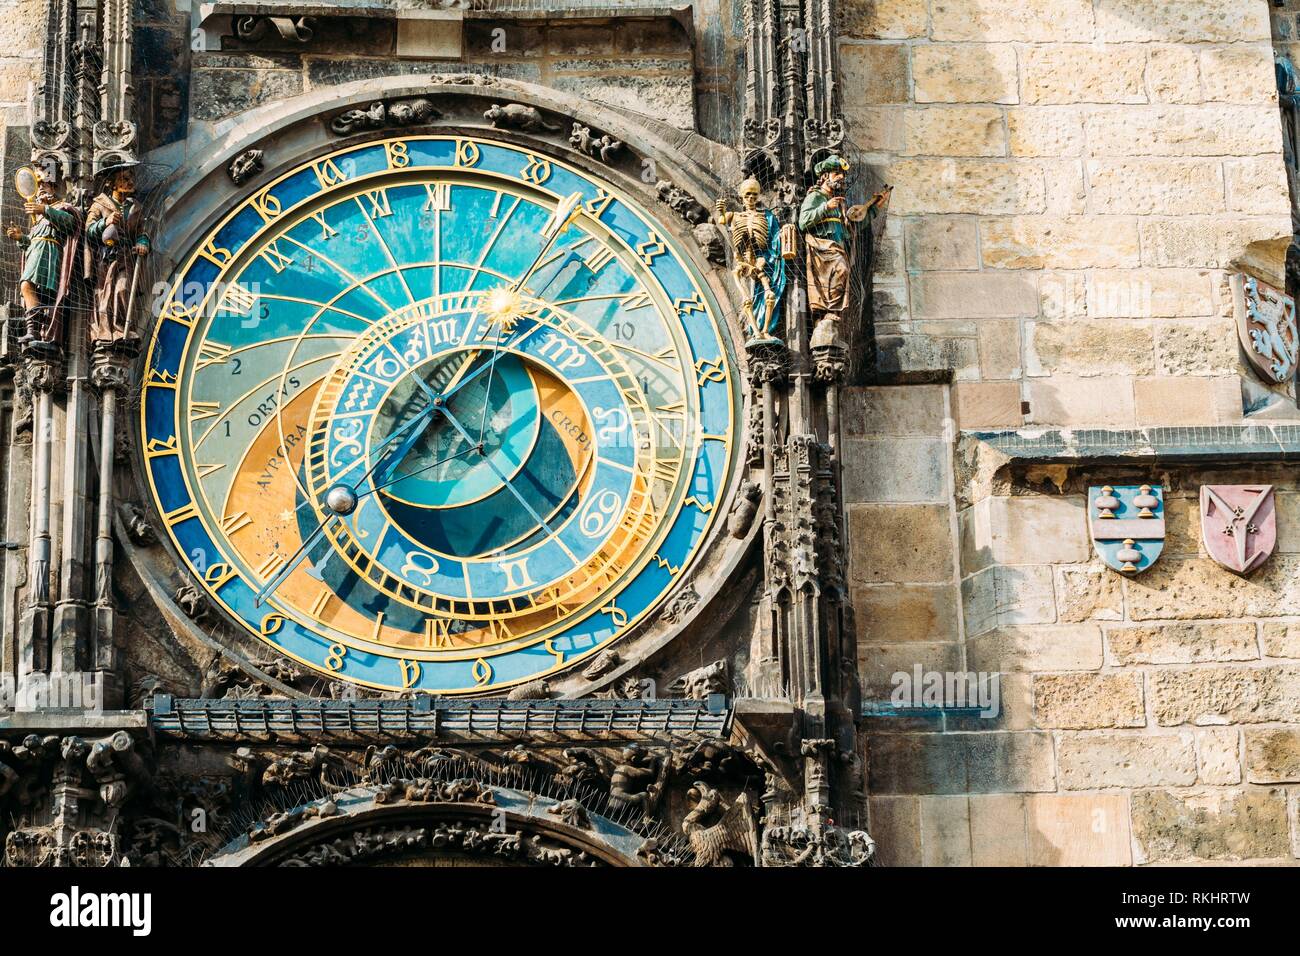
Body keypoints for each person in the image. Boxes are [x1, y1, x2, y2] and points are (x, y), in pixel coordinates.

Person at [4, 172, 80, 356]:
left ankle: (40, 332)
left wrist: (45, 210)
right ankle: (34, 331)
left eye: (44, 186)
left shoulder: (62, 207)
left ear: (53, 188)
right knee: (27, 287)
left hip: (50, 255)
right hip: (35, 254)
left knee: (37, 291)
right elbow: (32, 241)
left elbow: (71, 224)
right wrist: (20, 237)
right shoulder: (37, 220)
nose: (39, 190)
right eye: (37, 187)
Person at [86, 161, 150, 345]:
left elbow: (141, 232)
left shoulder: (135, 207)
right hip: (106, 257)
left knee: (123, 289)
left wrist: (142, 243)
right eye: (125, 179)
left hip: (126, 256)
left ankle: (122, 328)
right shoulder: (100, 204)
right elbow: (88, 230)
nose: (130, 182)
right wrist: (105, 222)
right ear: (112, 184)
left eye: (131, 178)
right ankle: (105, 331)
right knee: (105, 294)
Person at [715, 178, 786, 340]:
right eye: (748, 195)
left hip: (760, 262)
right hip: (742, 262)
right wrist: (721, 210)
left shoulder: (766, 217)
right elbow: (722, 220)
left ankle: (766, 330)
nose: (751, 198)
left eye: (754, 195)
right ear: (741, 196)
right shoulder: (735, 215)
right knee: (746, 299)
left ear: (759, 196)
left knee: (770, 295)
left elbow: (773, 238)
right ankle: (755, 331)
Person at [797, 155, 854, 332]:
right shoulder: (815, 196)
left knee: (842, 271)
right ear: (825, 176)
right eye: (836, 173)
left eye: (842, 175)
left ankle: (831, 311)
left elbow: (847, 229)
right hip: (821, 247)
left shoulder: (840, 203)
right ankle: (826, 311)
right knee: (840, 270)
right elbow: (803, 221)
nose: (841, 178)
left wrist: (872, 208)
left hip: (837, 246)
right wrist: (825, 207)